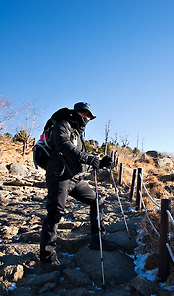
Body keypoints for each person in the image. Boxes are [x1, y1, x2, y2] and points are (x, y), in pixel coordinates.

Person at [40, 102, 116, 271]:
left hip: (74, 178)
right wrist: (87, 158)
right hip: (58, 176)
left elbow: (80, 160)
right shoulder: (63, 126)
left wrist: (100, 163)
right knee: (55, 213)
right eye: (84, 114)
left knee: (97, 201)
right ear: (75, 113)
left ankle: (98, 241)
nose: (86, 118)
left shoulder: (78, 135)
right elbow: (63, 145)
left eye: (89, 116)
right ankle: (47, 258)